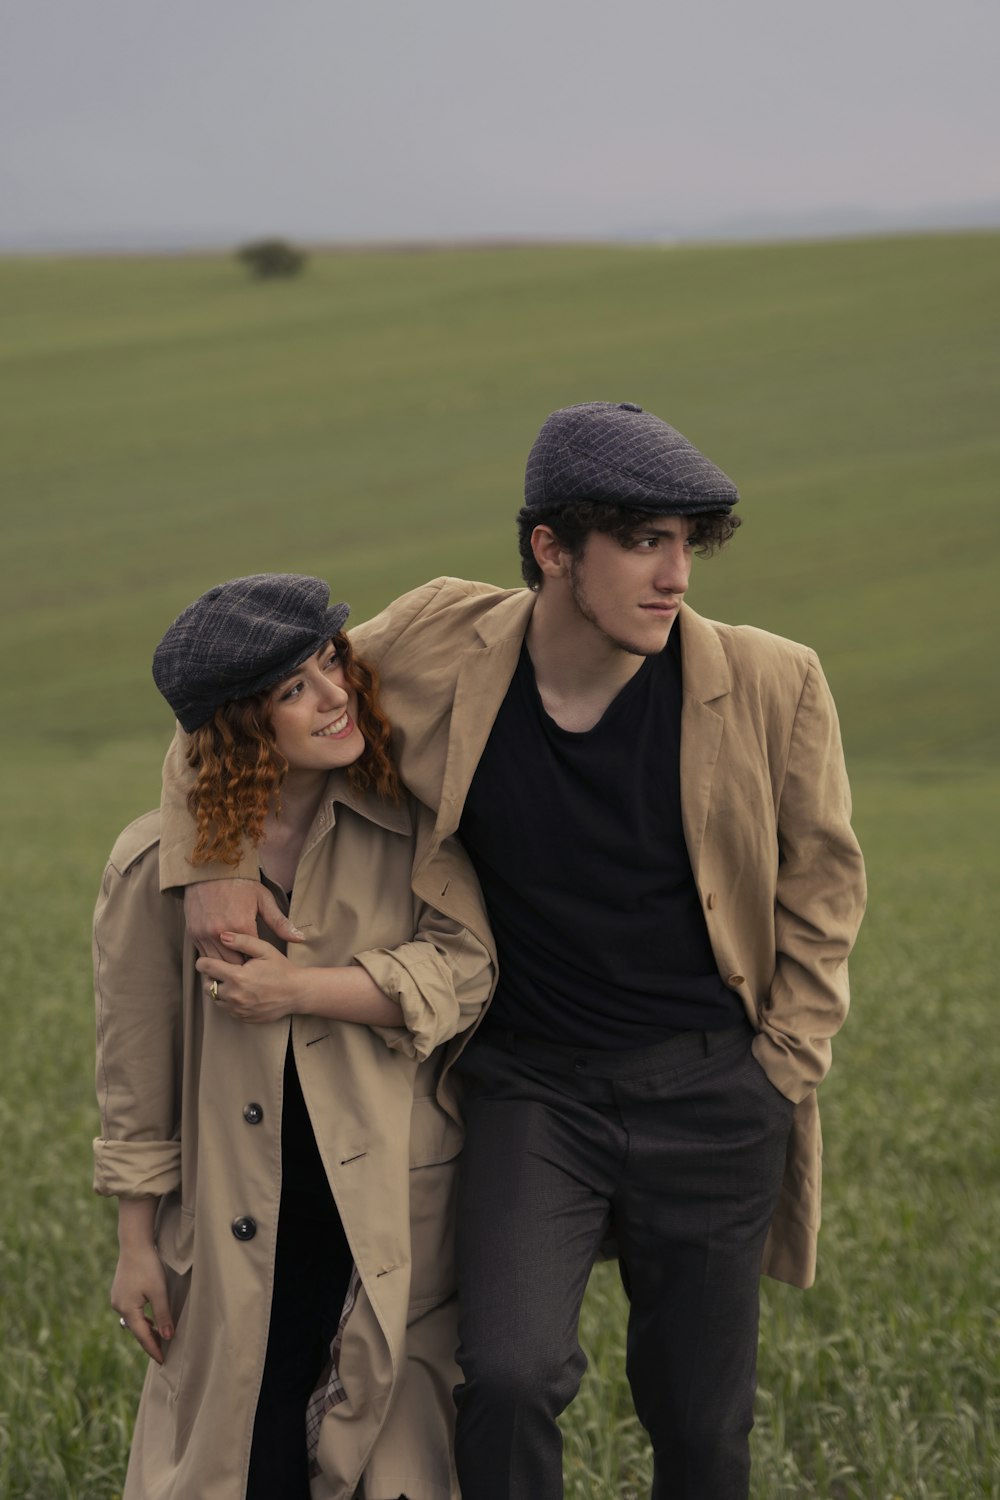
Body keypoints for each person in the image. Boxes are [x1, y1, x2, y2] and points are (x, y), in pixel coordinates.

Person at [159, 403, 867, 1500]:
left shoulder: (773, 682)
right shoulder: (443, 640)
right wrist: (211, 855)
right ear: (550, 548)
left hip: (714, 1093)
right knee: (506, 1377)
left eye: (688, 542)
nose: (676, 573)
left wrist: (784, 1065)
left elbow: (826, 885)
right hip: (534, 1094)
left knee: (698, 1423)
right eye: (643, 541)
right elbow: (238, 695)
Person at [93, 573, 495, 1500]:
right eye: (294, 690)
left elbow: (467, 969)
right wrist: (136, 1244)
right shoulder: (153, 866)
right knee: (247, 1456)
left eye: (331, 666)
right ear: (242, 726)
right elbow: (134, 1068)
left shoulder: (406, 827)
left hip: (385, 1206)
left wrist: (303, 990)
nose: (334, 697)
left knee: (383, 1460)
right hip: (238, 1220)